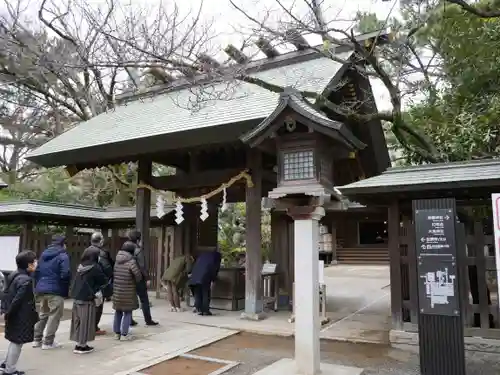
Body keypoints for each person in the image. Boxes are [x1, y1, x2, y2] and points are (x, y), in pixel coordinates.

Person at [0, 251, 39, 375]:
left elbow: (6, 295)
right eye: (34, 261)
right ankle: (9, 370)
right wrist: (8, 313)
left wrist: (6, 312)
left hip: (14, 315)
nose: (36, 263)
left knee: (14, 341)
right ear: (29, 265)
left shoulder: (13, 275)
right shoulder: (26, 281)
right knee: (17, 343)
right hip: (21, 316)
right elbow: (18, 300)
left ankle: (6, 364)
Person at [33, 235, 71, 349]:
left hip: (41, 288)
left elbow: (36, 271)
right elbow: (65, 274)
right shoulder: (63, 256)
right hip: (55, 290)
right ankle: (48, 342)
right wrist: (65, 288)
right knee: (54, 315)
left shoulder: (43, 255)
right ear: (63, 244)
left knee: (43, 314)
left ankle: (36, 340)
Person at [69, 247, 108, 354]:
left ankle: (78, 343)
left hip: (77, 297)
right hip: (87, 298)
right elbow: (103, 280)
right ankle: (82, 346)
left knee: (78, 322)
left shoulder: (80, 266)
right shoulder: (95, 267)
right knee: (86, 322)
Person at [126, 230, 158, 326]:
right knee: (144, 300)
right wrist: (147, 278)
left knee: (130, 299)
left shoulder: (124, 248)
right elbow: (142, 266)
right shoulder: (138, 250)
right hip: (138, 278)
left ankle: (129, 319)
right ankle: (148, 320)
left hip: (127, 276)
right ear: (138, 239)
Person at [112, 241, 142, 340]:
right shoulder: (131, 262)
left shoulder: (117, 260)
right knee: (127, 312)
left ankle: (116, 333)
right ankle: (124, 334)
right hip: (128, 291)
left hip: (117, 291)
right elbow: (138, 276)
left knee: (118, 311)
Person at [86, 232, 114, 335]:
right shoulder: (100, 252)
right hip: (98, 284)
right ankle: (94, 328)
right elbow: (107, 268)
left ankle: (89, 326)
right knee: (98, 306)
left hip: (87, 282)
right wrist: (107, 279)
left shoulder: (87, 250)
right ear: (101, 241)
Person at [188, 248, 221, 316]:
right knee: (205, 293)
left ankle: (199, 310)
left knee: (197, 293)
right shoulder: (216, 256)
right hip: (205, 277)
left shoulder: (202, 256)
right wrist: (214, 278)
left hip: (195, 277)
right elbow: (215, 268)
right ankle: (205, 311)